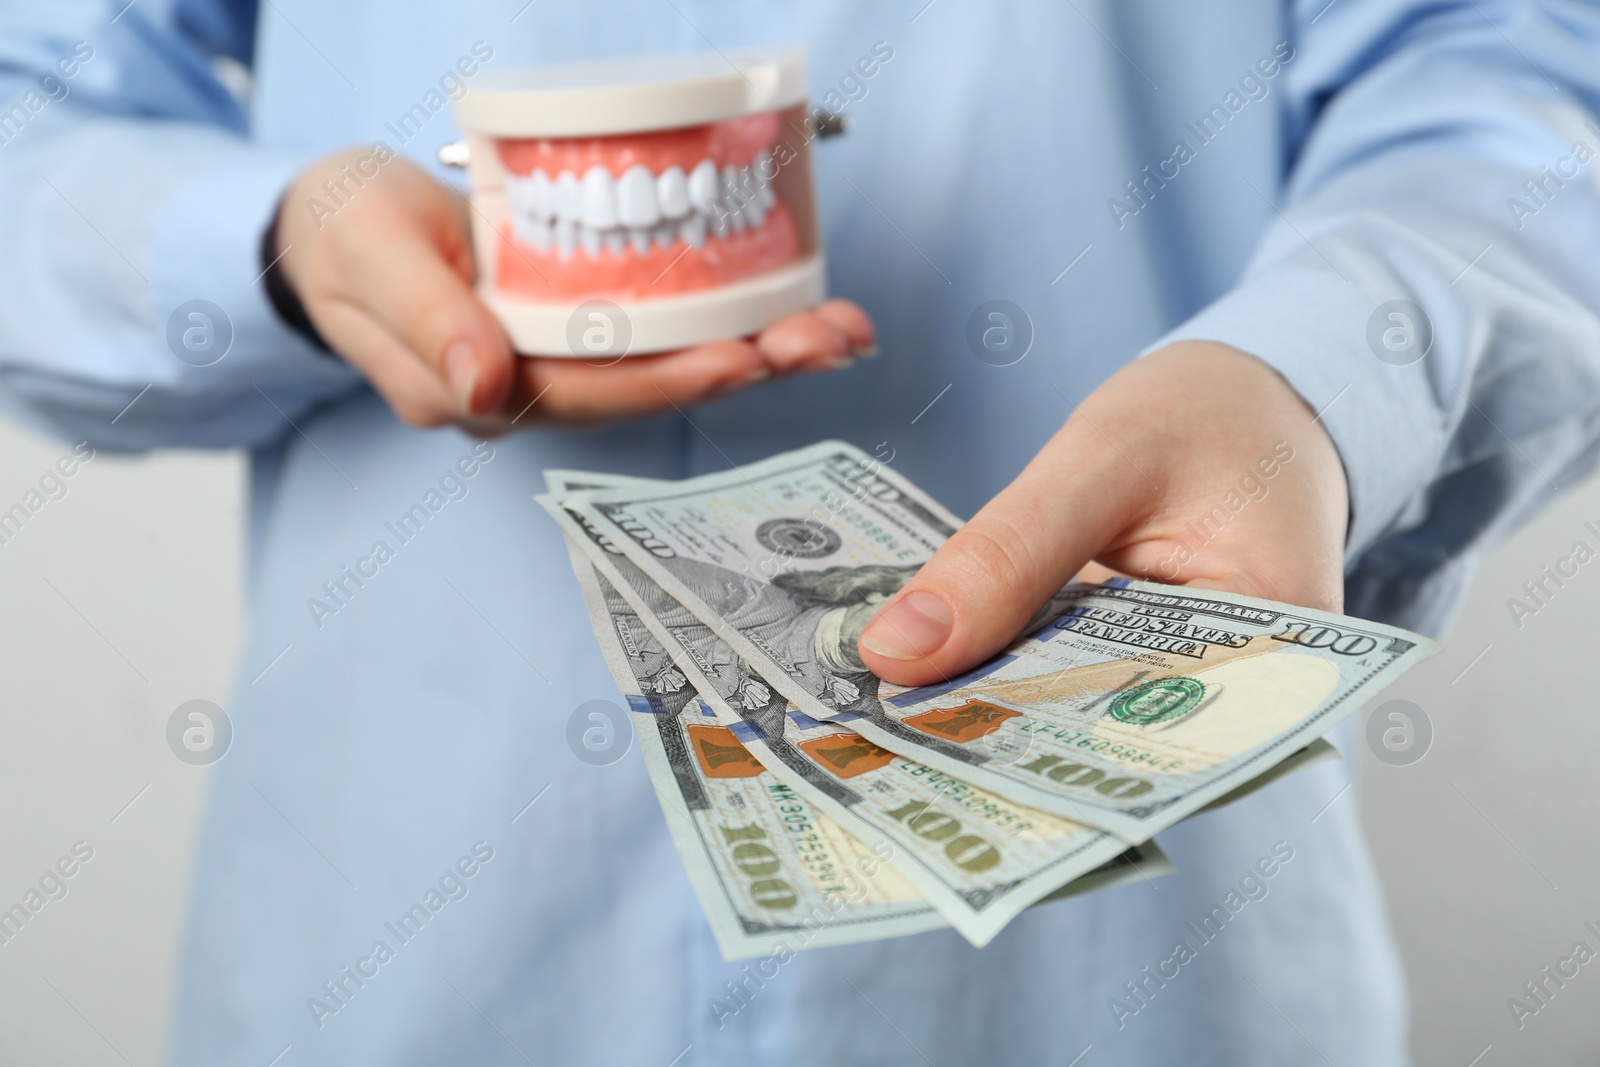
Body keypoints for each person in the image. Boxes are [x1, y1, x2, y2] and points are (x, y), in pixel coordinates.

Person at [3, 2, 1598, 1064]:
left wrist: (1316, 383)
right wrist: (277, 242)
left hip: (1123, 965)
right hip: (397, 952)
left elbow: (1507, 75)